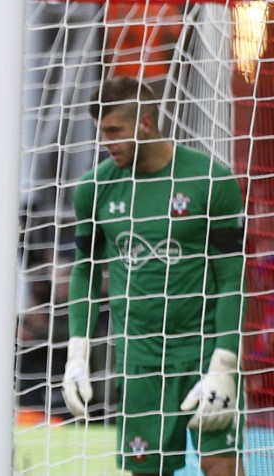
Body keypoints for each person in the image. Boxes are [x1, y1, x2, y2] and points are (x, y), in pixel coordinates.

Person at [63, 76, 245, 476]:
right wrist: (78, 352)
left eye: (115, 131)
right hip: (139, 358)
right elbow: (85, 271)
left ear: (145, 123)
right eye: (102, 132)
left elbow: (233, 279)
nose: (107, 143)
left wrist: (225, 362)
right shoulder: (94, 188)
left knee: (221, 467)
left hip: (203, 349)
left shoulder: (209, 180)